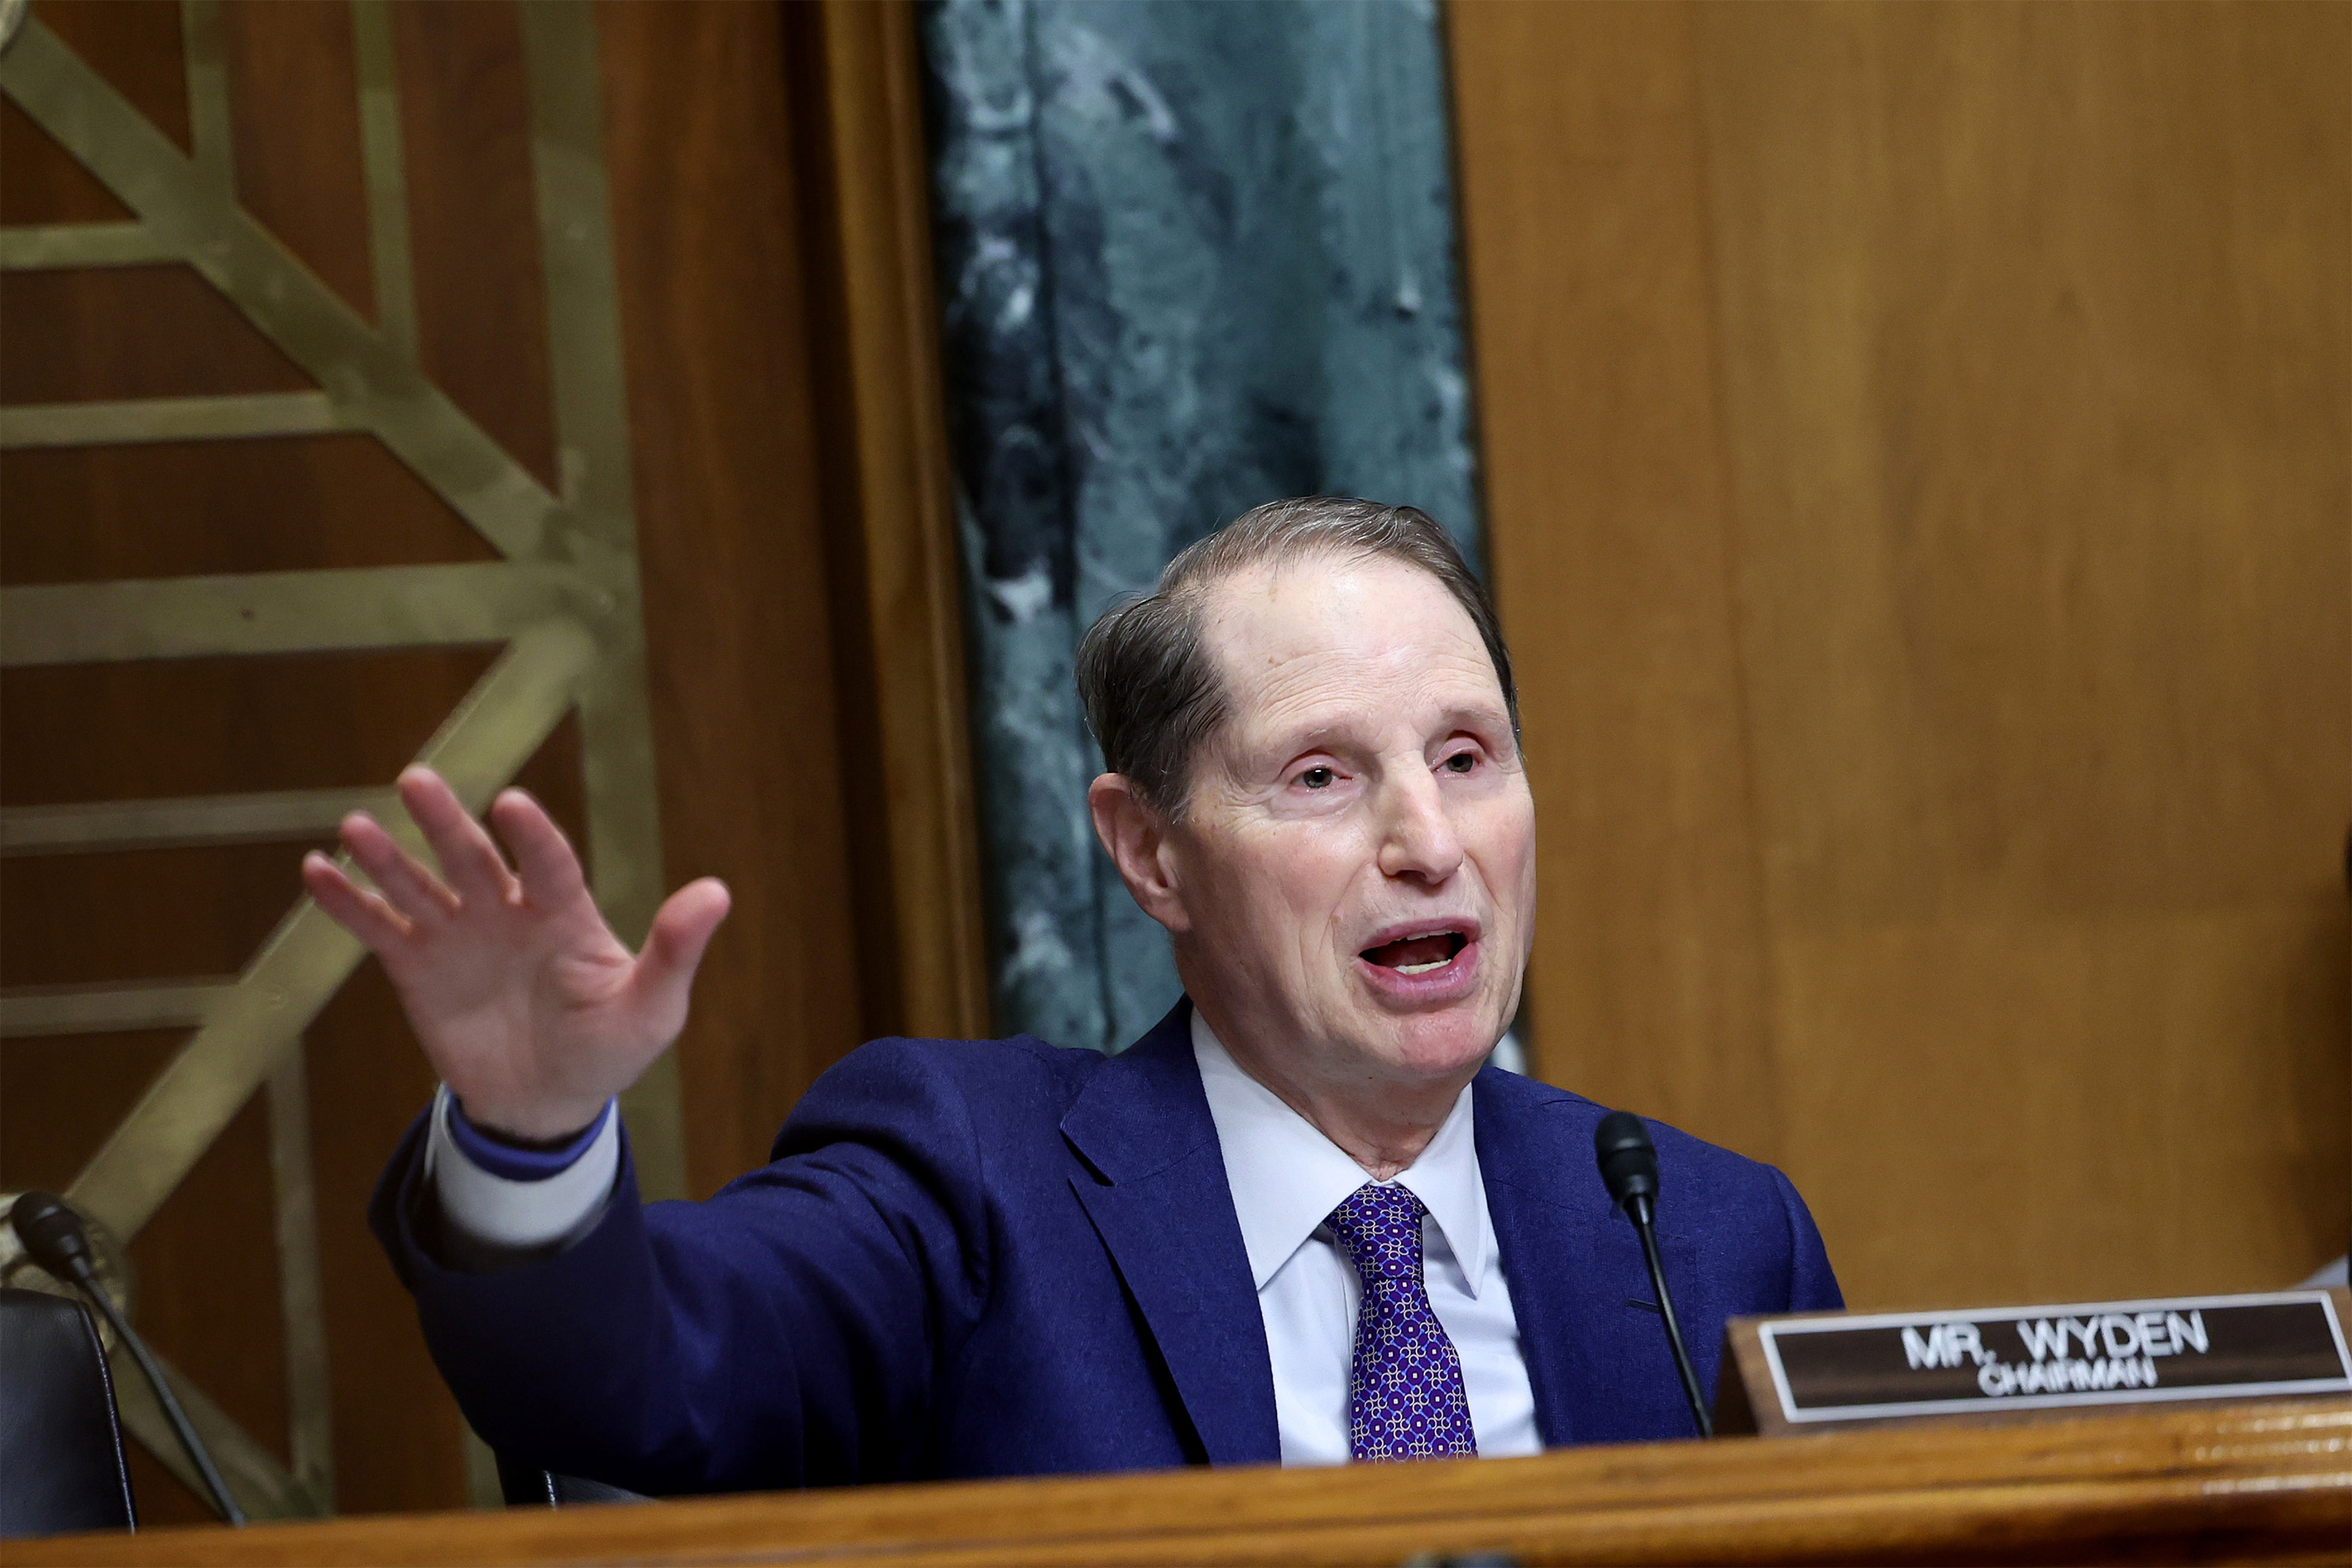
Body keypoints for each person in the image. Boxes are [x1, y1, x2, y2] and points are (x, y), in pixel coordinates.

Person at [313, 497, 1839, 1494]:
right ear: (1150, 854)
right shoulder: (975, 1186)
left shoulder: (1697, 1231)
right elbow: (632, 1385)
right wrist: (533, 1133)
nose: (1427, 844)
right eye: (1322, 775)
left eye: (1465, 758)